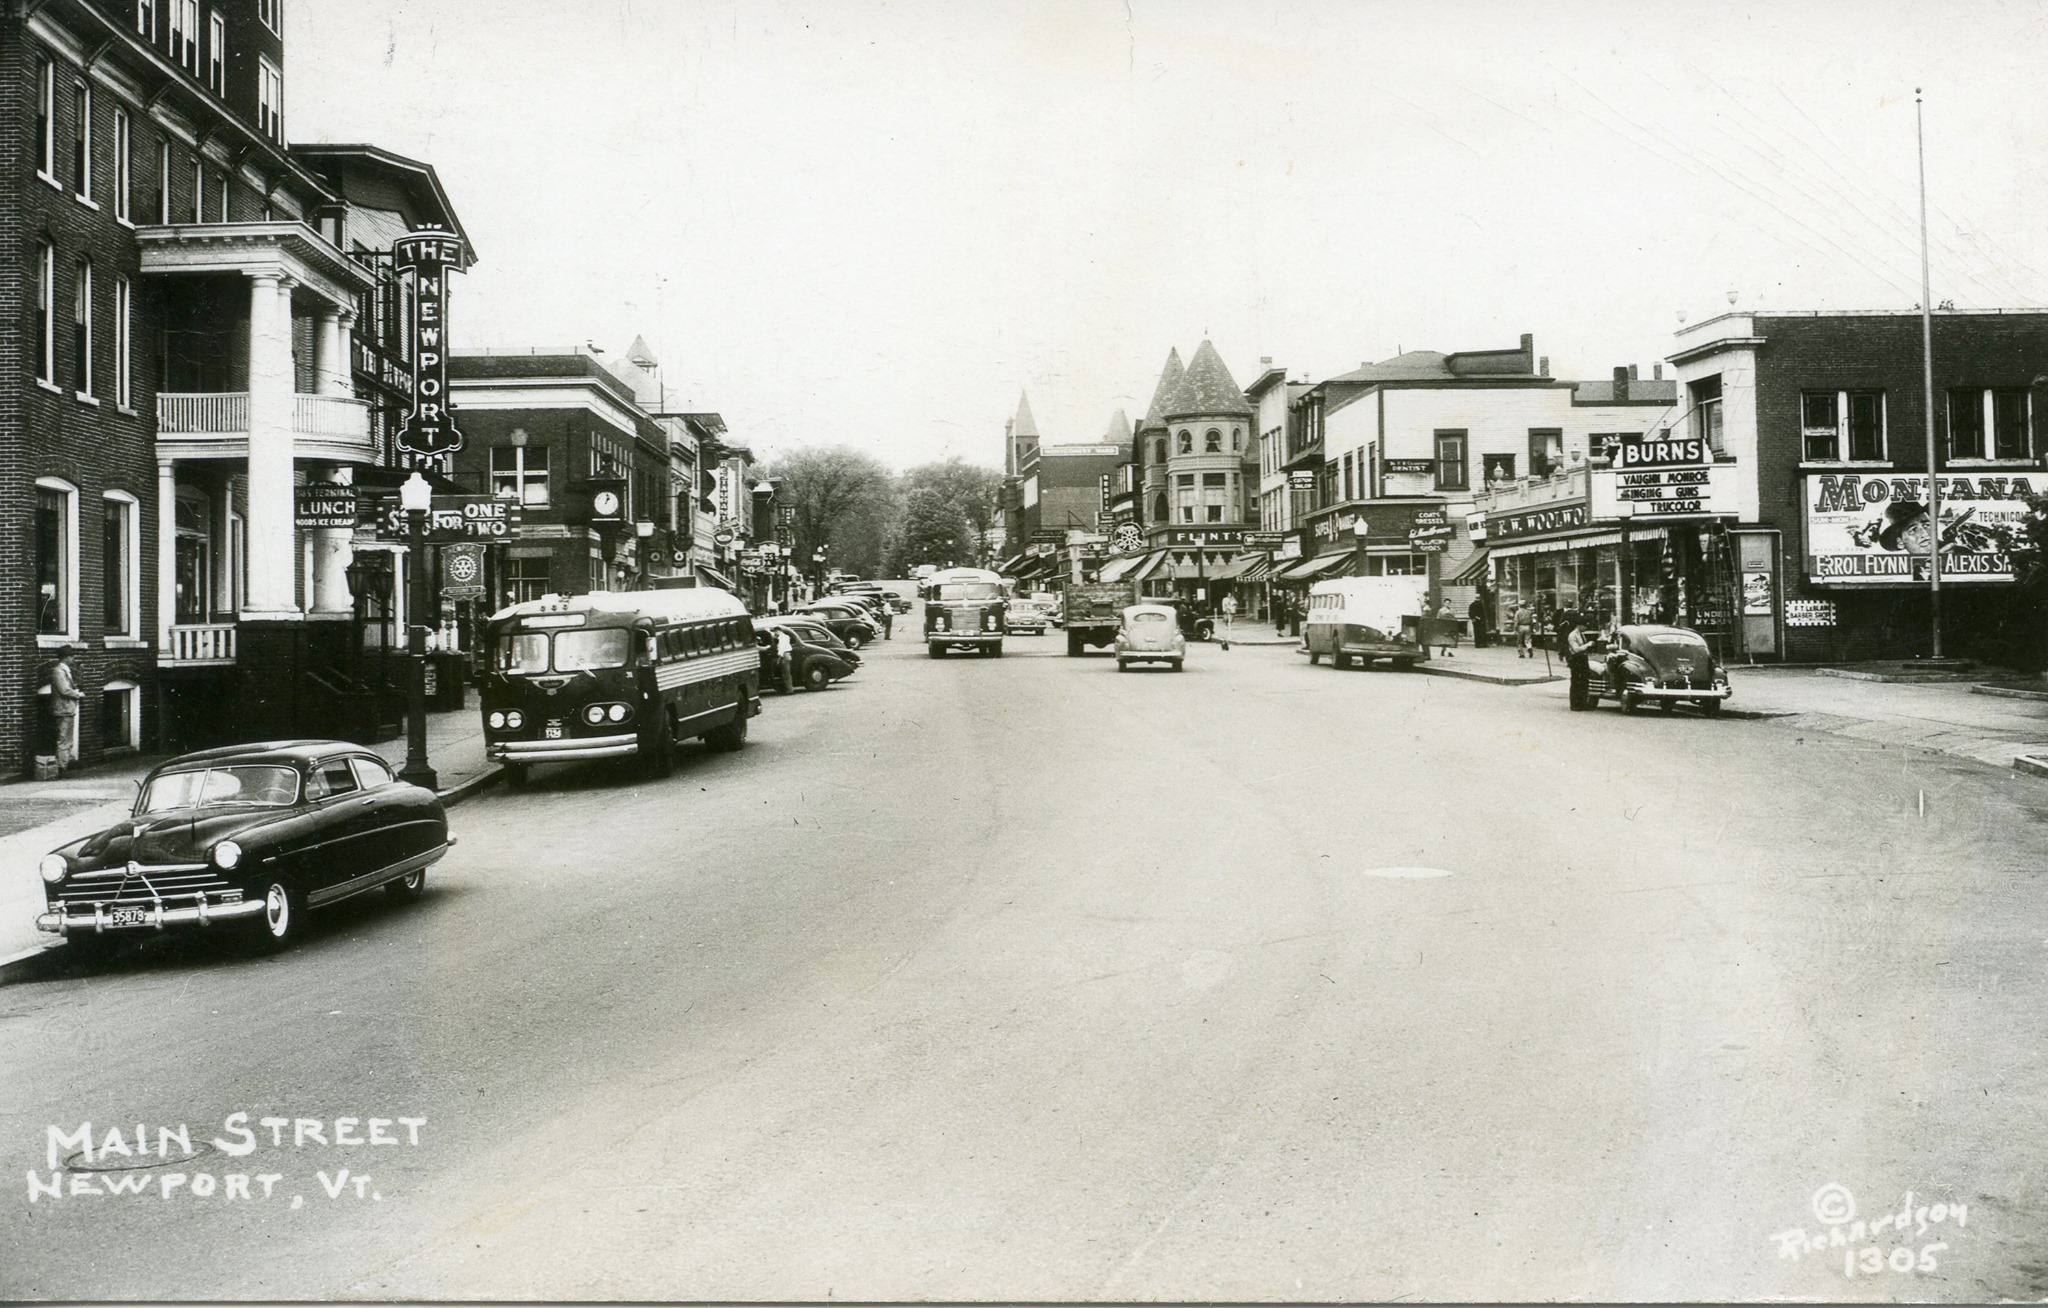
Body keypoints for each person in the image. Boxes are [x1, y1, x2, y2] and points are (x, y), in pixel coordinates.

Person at [48, 646, 83, 772]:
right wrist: (77, 694)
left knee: (66, 738)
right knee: (64, 739)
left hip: (67, 709)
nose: (73, 658)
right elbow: (64, 690)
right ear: (65, 657)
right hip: (63, 709)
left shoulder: (64, 670)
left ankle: (63, 764)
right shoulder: (59, 671)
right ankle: (61, 767)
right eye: (71, 656)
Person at [1565, 616, 1606, 711]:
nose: (1586, 628)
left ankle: (1583, 703)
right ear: (1579, 625)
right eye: (1584, 626)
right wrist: (1587, 645)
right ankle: (1575, 704)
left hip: (1583, 658)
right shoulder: (1572, 635)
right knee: (1576, 681)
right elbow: (1575, 649)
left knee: (1584, 681)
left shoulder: (1581, 634)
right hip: (1576, 659)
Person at [773, 625, 796, 695]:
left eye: (775, 632)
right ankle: (789, 688)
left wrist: (779, 657)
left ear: (777, 631)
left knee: (786, 674)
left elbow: (781, 648)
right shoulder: (786, 636)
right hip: (788, 655)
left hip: (784, 656)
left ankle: (790, 690)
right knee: (787, 673)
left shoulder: (781, 638)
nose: (775, 634)